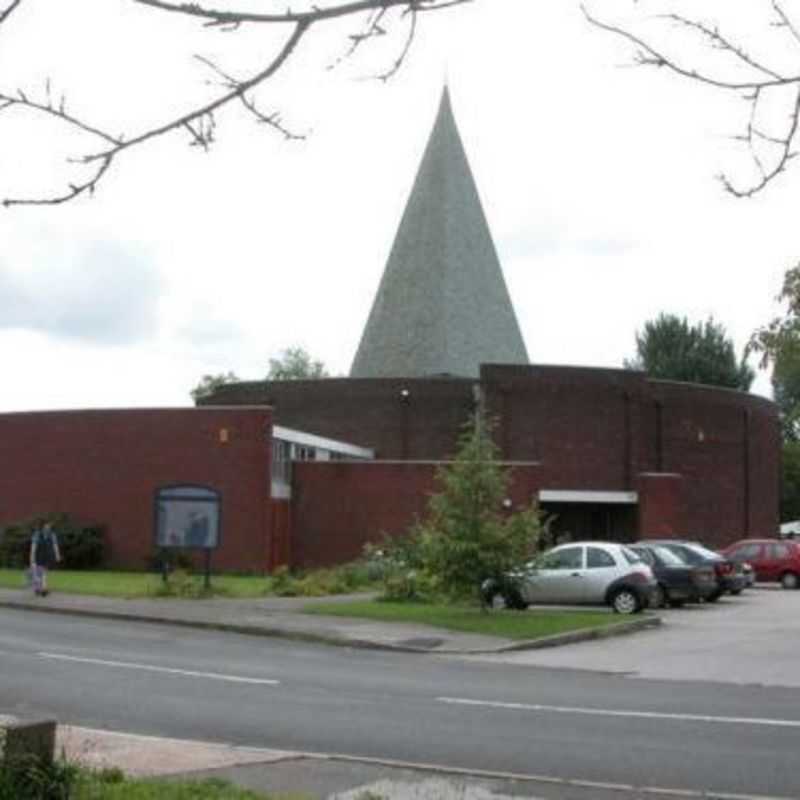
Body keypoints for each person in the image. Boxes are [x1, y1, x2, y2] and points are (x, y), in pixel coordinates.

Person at [30, 522, 61, 597]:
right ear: (43, 527)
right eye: (46, 527)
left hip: (46, 556)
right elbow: (33, 547)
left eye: (49, 527)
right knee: (39, 573)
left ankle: (41, 589)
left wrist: (57, 555)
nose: (47, 528)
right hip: (38, 556)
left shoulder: (52, 535)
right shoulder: (37, 534)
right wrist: (32, 558)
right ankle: (41, 589)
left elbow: (55, 545)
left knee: (43, 573)